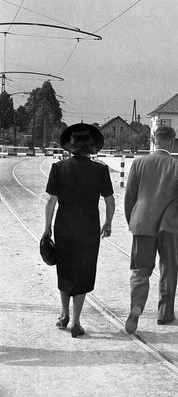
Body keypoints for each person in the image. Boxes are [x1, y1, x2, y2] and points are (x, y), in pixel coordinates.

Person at [124, 125, 178, 333]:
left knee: (140, 270)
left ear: (153, 140)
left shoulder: (139, 164)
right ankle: (165, 313)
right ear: (172, 142)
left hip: (142, 223)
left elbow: (130, 196)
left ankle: (137, 307)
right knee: (168, 268)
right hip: (168, 225)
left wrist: (133, 220)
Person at [42, 123, 115, 338]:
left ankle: (64, 315)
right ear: (91, 147)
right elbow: (110, 202)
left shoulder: (59, 168)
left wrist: (47, 230)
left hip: (64, 226)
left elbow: (51, 203)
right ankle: (76, 322)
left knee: (64, 269)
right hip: (89, 228)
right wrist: (108, 223)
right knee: (83, 272)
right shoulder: (100, 170)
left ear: (71, 146)